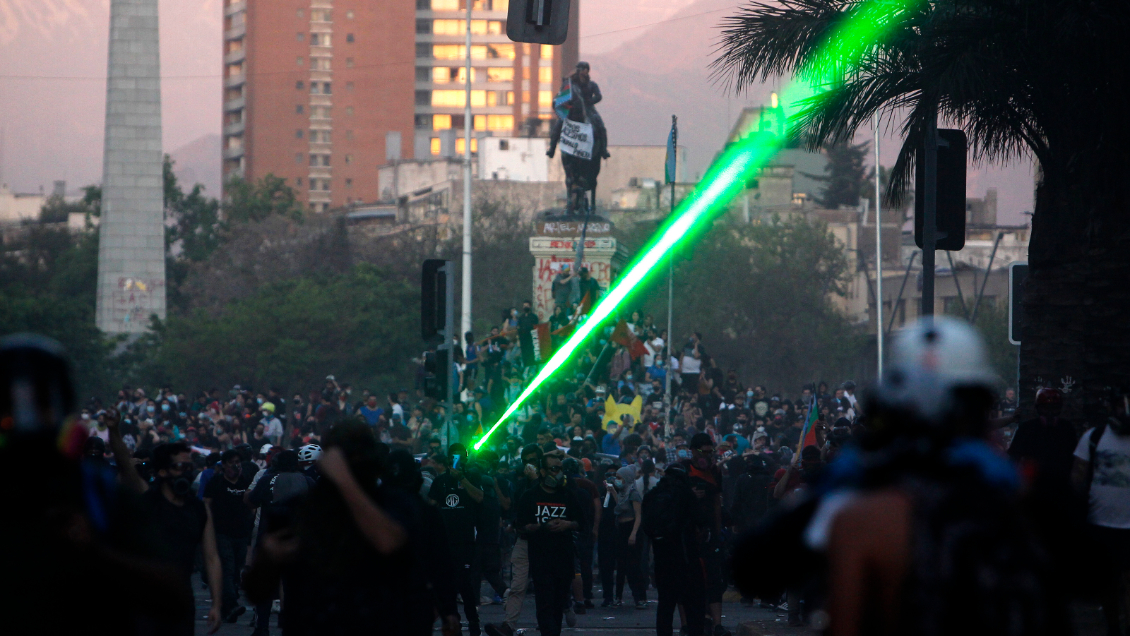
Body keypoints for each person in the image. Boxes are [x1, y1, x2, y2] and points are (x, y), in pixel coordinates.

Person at [1071, 389, 1130, 636]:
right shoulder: (1093, 437)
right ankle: (1114, 626)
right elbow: (1077, 477)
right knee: (1109, 581)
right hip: (1101, 524)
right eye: (1120, 407)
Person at [515, 451, 582, 636]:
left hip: (563, 557)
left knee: (558, 604)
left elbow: (582, 522)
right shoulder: (530, 496)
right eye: (553, 469)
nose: (558, 473)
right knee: (544, 604)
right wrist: (542, 526)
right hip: (541, 559)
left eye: (560, 469)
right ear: (543, 472)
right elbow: (520, 526)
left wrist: (567, 524)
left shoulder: (568, 495)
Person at [486, 444, 544, 636]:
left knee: (548, 583)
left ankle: (556, 616)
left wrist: (536, 479)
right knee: (518, 585)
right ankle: (508, 625)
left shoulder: (548, 482)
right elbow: (515, 507)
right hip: (525, 539)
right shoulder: (520, 484)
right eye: (526, 461)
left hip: (546, 542)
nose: (529, 465)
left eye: (533, 461)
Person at [643, 464, 706, 636]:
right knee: (693, 604)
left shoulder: (651, 495)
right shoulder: (686, 495)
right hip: (686, 558)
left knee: (665, 605)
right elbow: (700, 519)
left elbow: (646, 527)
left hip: (661, 558)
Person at [429, 445, 485, 636]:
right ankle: (454, 622)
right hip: (444, 540)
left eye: (462, 457)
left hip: (466, 539)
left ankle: (473, 620)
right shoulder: (440, 481)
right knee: (448, 582)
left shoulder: (473, 477)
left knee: (464, 581)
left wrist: (461, 478)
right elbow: (432, 505)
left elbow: (479, 497)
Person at [203, 448, 255, 623]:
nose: (236, 465)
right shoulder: (216, 482)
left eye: (238, 462)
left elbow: (252, 504)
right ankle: (231, 603)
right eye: (231, 462)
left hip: (241, 533)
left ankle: (227, 608)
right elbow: (206, 505)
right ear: (224, 465)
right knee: (227, 567)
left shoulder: (244, 482)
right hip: (221, 532)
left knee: (235, 571)